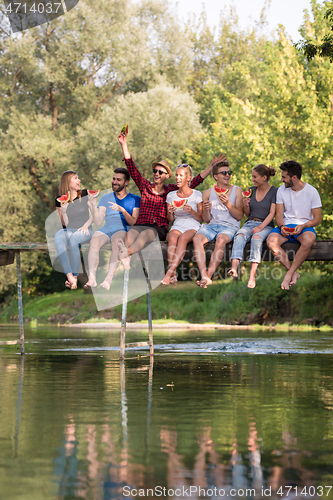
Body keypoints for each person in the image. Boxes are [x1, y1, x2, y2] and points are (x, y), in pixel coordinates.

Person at [117, 131, 225, 261]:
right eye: (155, 171)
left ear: (167, 176)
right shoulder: (145, 186)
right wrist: (124, 144)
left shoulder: (171, 192)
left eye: (160, 172)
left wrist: (211, 166)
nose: (156, 173)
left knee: (144, 235)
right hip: (140, 224)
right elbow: (131, 167)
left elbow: (195, 181)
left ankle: (126, 253)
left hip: (158, 228)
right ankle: (124, 258)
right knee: (131, 234)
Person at [266, 160, 322, 290]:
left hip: (305, 226)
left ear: (294, 178)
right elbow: (278, 215)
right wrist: (281, 227)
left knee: (308, 240)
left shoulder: (312, 192)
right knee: (271, 241)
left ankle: (289, 274)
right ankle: (293, 272)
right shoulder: (281, 190)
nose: (281, 180)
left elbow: (317, 219)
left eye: (284, 177)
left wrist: (303, 226)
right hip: (285, 225)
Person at [84, 168, 140, 289]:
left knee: (116, 242)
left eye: (118, 180)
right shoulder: (105, 198)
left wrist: (122, 210)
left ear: (126, 182)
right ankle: (92, 278)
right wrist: (93, 206)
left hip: (122, 228)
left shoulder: (135, 199)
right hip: (107, 227)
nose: (114, 182)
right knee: (94, 241)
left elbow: (133, 222)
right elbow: (98, 221)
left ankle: (108, 279)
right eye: (114, 179)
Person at [193, 160, 243, 288]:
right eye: (224, 173)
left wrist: (228, 204)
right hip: (211, 226)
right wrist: (206, 209)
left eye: (229, 172)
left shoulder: (237, 191)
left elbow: (239, 216)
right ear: (215, 176)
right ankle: (203, 275)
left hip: (230, 227)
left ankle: (208, 277)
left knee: (221, 240)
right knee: (197, 239)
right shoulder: (207, 193)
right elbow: (206, 220)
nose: (228, 175)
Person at [228, 164, 277, 288]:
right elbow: (248, 214)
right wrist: (246, 205)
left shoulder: (275, 191)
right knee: (239, 236)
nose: (253, 179)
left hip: (266, 225)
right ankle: (234, 268)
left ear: (264, 177)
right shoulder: (252, 190)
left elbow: (272, 213)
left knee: (256, 239)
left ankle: (252, 276)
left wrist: (260, 228)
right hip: (250, 223)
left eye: (255, 177)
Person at [161, 164, 203, 285]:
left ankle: (169, 273)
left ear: (188, 178)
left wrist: (192, 212)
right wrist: (170, 213)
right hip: (177, 224)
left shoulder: (197, 194)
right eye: (176, 175)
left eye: (181, 175)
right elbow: (170, 219)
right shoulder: (171, 196)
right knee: (172, 238)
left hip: (193, 225)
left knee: (183, 238)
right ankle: (173, 276)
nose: (177, 178)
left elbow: (202, 218)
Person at [55, 171, 94, 290]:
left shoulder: (86, 194)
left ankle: (75, 277)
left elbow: (95, 215)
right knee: (58, 236)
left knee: (74, 239)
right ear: (68, 182)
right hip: (69, 230)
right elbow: (64, 224)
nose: (79, 180)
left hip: (85, 231)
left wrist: (86, 226)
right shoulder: (59, 200)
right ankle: (69, 276)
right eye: (76, 178)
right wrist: (64, 211)